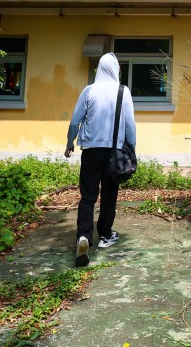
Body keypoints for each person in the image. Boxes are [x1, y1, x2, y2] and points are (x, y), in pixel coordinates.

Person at [64, 52, 136, 267]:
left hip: (91, 152)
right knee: (109, 194)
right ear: (115, 69)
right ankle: (105, 235)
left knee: (87, 196)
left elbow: (75, 122)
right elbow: (130, 125)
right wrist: (131, 149)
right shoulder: (124, 92)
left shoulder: (89, 91)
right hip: (114, 154)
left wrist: (70, 143)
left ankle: (83, 237)